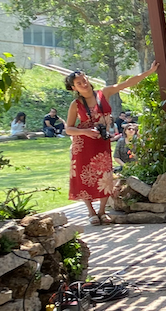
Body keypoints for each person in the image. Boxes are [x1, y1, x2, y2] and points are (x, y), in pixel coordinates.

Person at [65, 64, 158, 225]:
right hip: (83, 144)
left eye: (84, 80)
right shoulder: (76, 104)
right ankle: (91, 212)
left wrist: (149, 72)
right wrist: (85, 132)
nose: (83, 84)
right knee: (84, 176)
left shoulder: (104, 93)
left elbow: (127, 83)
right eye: (79, 83)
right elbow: (69, 129)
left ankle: (102, 211)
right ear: (74, 88)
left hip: (102, 142)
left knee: (105, 176)